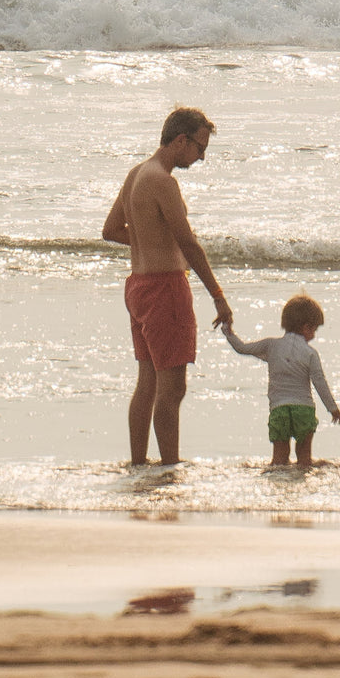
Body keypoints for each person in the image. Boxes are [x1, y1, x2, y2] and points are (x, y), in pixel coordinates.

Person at [102, 107, 233, 466]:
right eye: (200, 148)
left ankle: (139, 465)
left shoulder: (136, 175)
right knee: (172, 389)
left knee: (147, 382)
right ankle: (170, 467)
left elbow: (111, 230)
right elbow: (189, 245)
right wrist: (219, 297)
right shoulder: (163, 181)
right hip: (164, 290)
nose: (202, 156)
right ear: (180, 140)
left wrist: (150, 241)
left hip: (137, 288)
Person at [221, 294, 340, 466]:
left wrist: (228, 331)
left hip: (279, 410)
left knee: (279, 459)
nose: (314, 335)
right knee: (304, 459)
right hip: (304, 410)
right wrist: (333, 409)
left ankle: (278, 486)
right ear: (306, 327)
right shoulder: (310, 353)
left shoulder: (271, 345)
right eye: (314, 330)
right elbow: (319, 383)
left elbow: (242, 348)